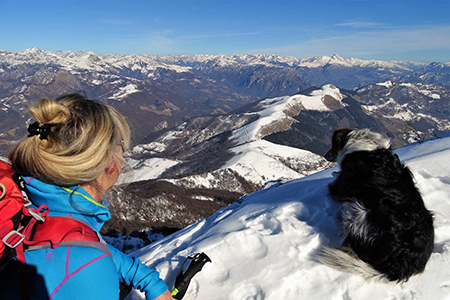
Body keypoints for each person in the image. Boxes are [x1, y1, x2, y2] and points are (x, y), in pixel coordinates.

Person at [1, 93, 173, 300]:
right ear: (109, 163)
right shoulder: (86, 268)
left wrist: (145, 277)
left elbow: (64, 243)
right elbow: (73, 257)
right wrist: (93, 263)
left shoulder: (29, 197)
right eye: (121, 146)